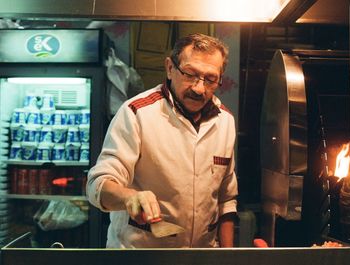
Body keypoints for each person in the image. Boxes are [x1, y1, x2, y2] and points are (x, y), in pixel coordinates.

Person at [87, 33, 238, 248]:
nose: (198, 88)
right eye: (190, 74)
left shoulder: (225, 122)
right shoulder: (137, 113)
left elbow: (226, 200)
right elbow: (97, 185)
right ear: (169, 68)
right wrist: (129, 197)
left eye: (210, 79)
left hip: (201, 257)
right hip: (141, 255)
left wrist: (228, 258)